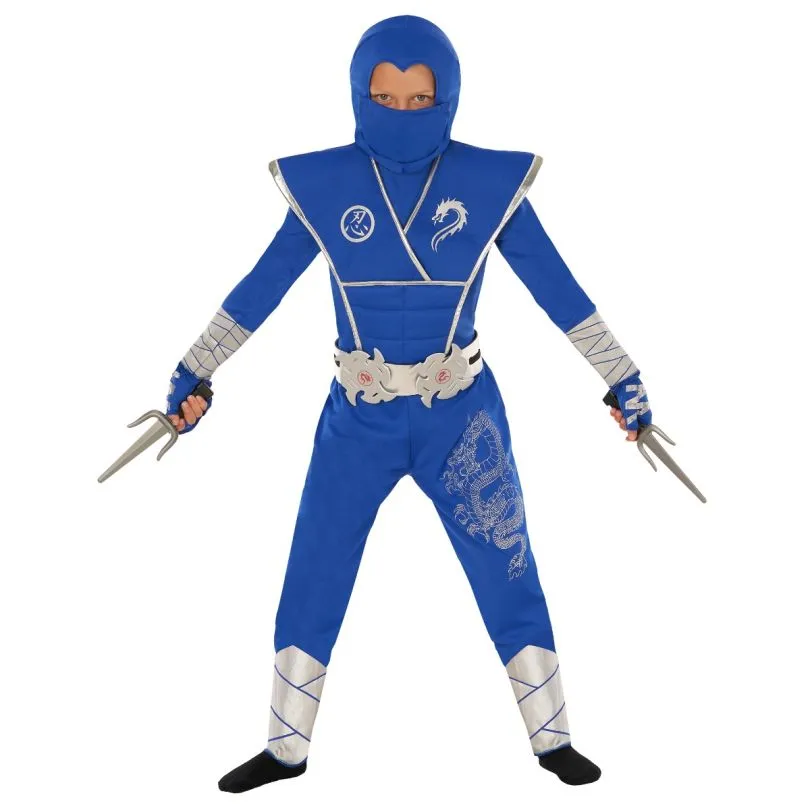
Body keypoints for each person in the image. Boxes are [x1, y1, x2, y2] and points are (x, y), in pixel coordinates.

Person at [165, 15, 652, 792]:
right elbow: (261, 287)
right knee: (315, 567)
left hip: (460, 415)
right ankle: (285, 748)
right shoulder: (325, 187)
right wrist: (195, 370)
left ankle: (553, 738)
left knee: (507, 566)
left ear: (447, 97)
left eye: (419, 97)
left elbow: (560, 291)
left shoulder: (489, 187)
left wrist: (621, 376)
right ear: (358, 94)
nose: (401, 110)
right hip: (357, 419)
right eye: (384, 96)